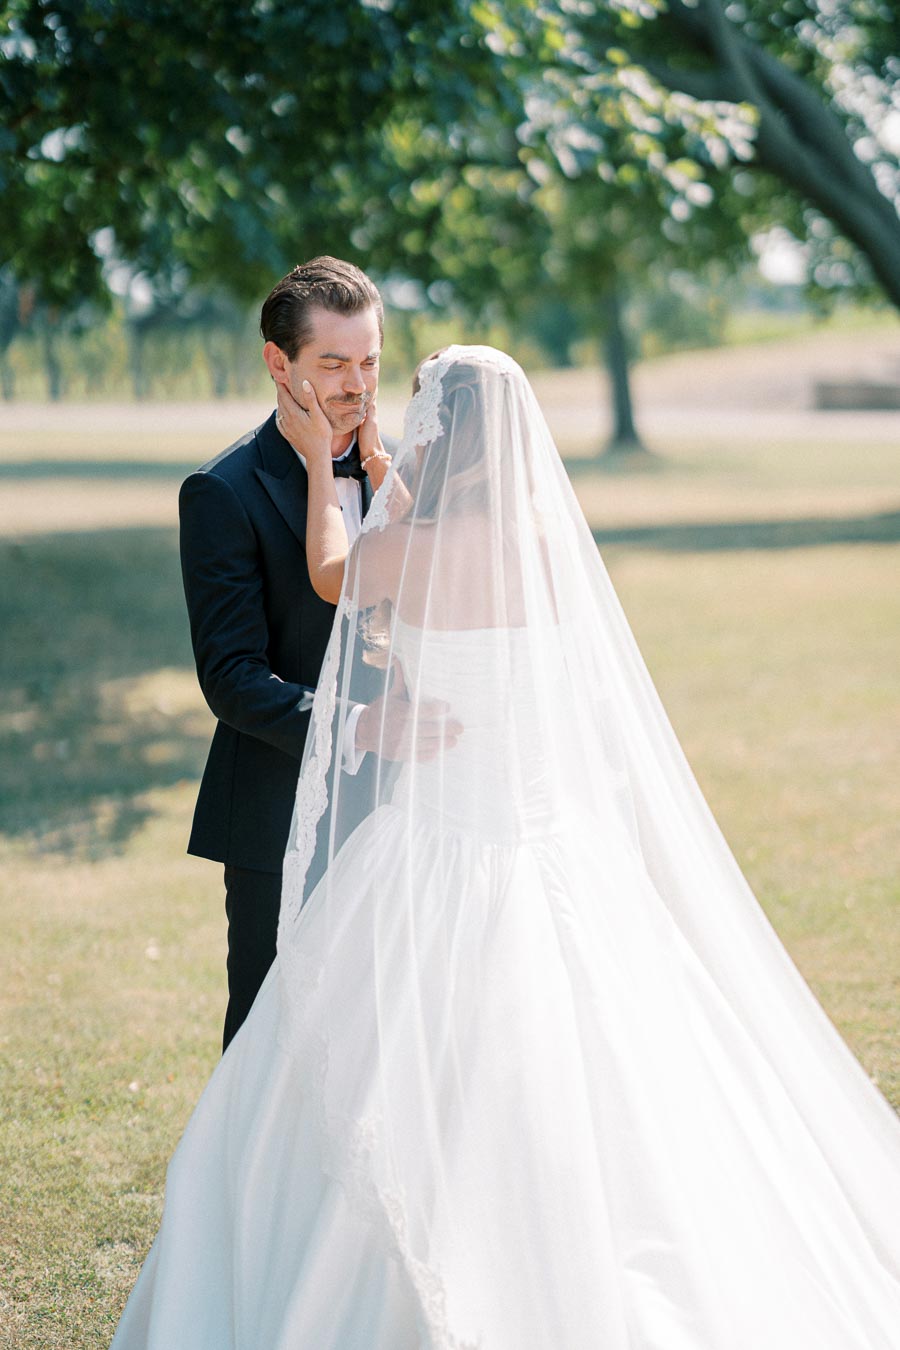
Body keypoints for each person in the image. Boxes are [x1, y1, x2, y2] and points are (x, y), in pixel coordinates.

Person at [114, 346, 900, 1349]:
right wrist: (400, 478)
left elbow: (326, 571)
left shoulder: (404, 550)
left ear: (445, 432)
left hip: (435, 836)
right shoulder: (537, 540)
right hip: (545, 836)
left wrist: (324, 468)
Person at [179, 255, 443, 1051]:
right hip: (276, 806)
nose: (357, 385)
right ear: (278, 363)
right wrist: (358, 726)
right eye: (333, 363)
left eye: (369, 361)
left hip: (402, 808)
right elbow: (231, 678)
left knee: (385, 1031)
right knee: (270, 1036)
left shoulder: (403, 470)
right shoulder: (223, 490)